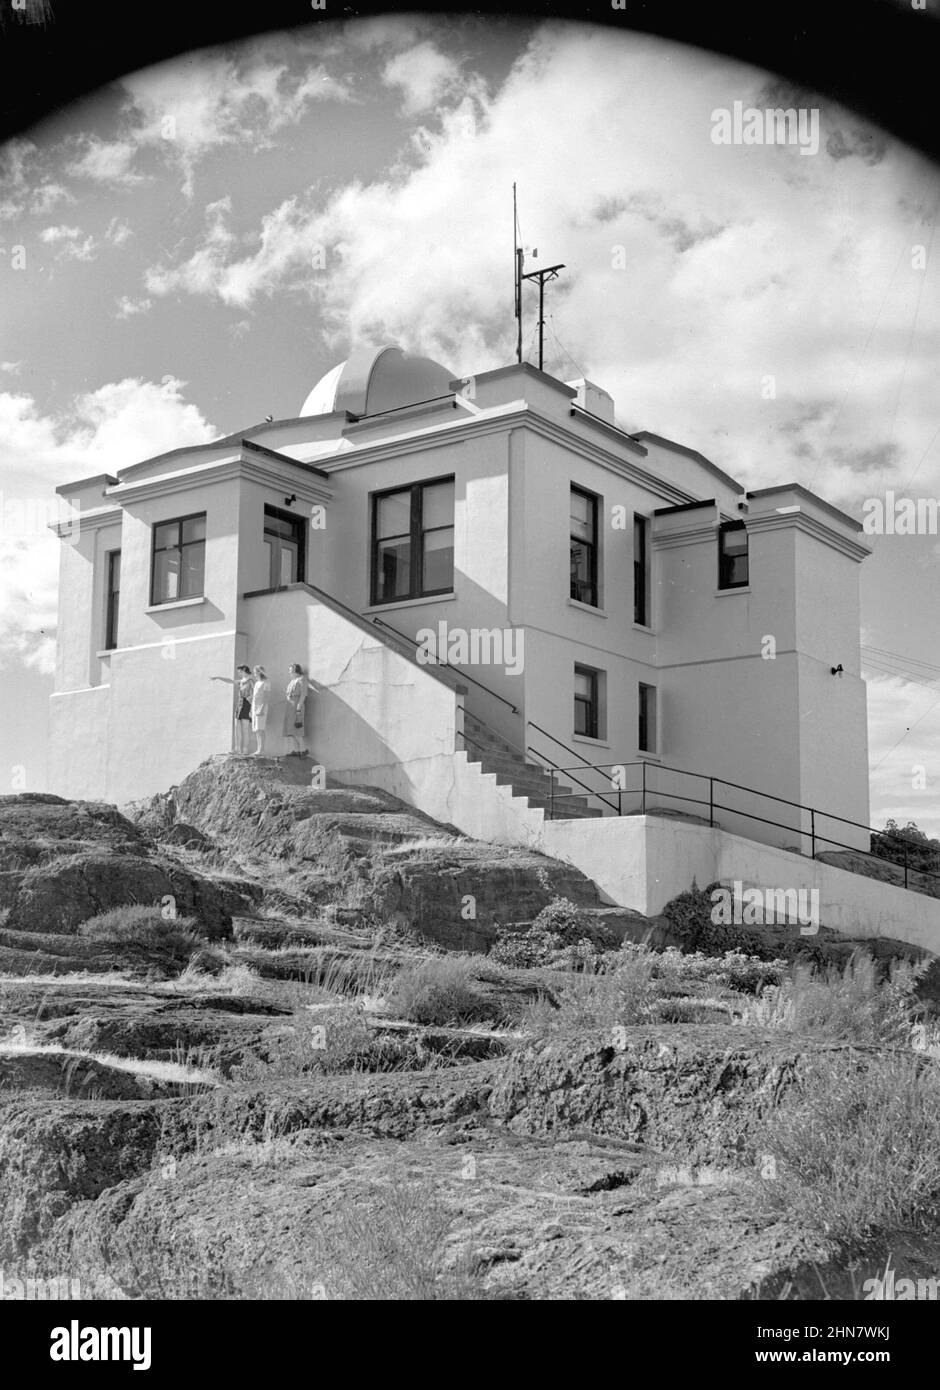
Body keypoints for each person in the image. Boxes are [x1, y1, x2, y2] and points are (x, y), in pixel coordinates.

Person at [211, 664, 254, 754]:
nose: (239, 674)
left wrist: (251, 709)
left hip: (247, 704)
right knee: (236, 726)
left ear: (244, 670)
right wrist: (218, 677)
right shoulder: (241, 681)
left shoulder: (250, 681)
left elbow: (254, 695)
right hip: (239, 704)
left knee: (245, 728)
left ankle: (245, 750)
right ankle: (237, 748)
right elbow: (231, 681)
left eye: (240, 672)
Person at [283, 662, 308, 757]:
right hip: (290, 707)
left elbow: (303, 693)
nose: (289, 673)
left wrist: (299, 705)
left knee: (296, 729)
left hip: (297, 705)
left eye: (291, 671)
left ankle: (303, 749)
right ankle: (296, 750)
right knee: (290, 730)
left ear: (295, 671)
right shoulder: (291, 682)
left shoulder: (301, 679)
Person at [250, 665, 271, 757]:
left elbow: (266, 697)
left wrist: (261, 708)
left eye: (255, 672)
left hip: (261, 706)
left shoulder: (266, 682)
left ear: (259, 672)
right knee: (256, 730)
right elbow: (255, 696)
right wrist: (252, 709)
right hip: (254, 706)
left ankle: (262, 749)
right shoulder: (257, 683)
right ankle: (258, 749)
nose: (254, 674)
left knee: (260, 728)